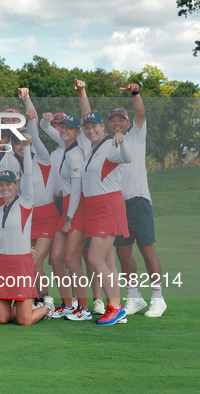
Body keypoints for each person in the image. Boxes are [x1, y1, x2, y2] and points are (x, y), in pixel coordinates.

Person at [83, 83, 167, 317]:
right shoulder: (105, 145)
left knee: (147, 249)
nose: (117, 123)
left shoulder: (136, 135)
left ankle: (158, 297)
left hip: (138, 200)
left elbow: (140, 113)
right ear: (107, 124)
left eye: (122, 120)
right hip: (118, 204)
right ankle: (133, 296)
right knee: (123, 253)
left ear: (128, 123)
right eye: (113, 120)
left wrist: (135, 93)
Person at [0, 133, 54, 325]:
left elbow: (28, 173)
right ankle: (22, 308)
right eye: (1, 185)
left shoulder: (25, 202)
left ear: (16, 185)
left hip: (20, 264)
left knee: (24, 321)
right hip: (3, 264)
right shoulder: (0, 210)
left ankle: (47, 307)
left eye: (8, 184)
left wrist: (26, 147)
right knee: (1, 319)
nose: (5, 188)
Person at [81, 111, 132, 325]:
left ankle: (114, 307)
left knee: (94, 258)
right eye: (87, 127)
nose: (91, 130)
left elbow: (127, 158)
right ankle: (117, 307)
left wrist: (121, 141)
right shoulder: (92, 149)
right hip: (93, 208)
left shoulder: (111, 145)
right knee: (108, 261)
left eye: (95, 126)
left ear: (103, 126)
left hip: (107, 206)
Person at [40, 113, 90, 320]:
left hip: (76, 208)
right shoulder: (65, 148)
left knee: (71, 259)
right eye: (60, 127)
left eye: (68, 127)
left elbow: (77, 189)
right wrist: (46, 119)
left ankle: (84, 308)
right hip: (68, 207)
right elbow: (44, 127)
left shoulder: (75, 153)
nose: (63, 130)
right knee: (55, 258)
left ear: (78, 131)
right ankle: (68, 304)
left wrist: (69, 218)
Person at [16, 88, 58, 307]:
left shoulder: (42, 157)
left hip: (47, 216)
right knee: (30, 262)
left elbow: (32, 123)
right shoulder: (19, 168)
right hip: (29, 218)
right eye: (18, 143)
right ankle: (39, 298)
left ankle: (44, 300)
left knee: (35, 260)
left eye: (26, 139)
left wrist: (26, 99)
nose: (22, 145)